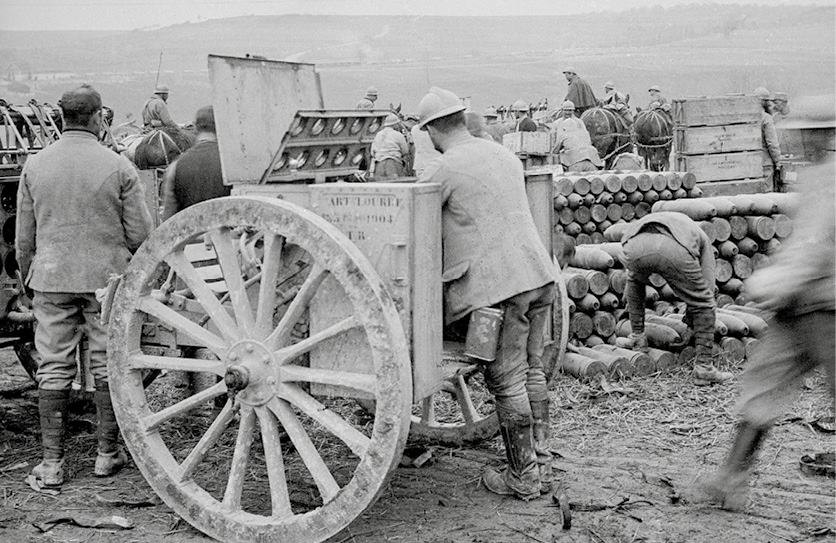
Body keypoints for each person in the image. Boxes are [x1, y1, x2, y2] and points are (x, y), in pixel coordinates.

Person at [416, 86, 556, 501]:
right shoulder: (502, 154)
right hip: (537, 275)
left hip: (497, 289)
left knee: (506, 379)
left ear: (430, 131)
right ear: (462, 118)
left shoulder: (447, 168)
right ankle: (541, 462)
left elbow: (417, 214)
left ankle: (525, 477)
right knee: (531, 369)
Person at [16, 84, 154, 487]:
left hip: (52, 278)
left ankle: (53, 464)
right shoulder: (119, 166)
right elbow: (142, 234)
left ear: (62, 119)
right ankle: (106, 455)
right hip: (105, 283)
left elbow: (26, 239)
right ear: (97, 118)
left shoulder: (34, 166)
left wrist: (31, 278)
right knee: (107, 362)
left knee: (53, 365)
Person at [699, 158, 834, 511]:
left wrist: (769, 284)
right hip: (798, 305)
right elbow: (802, 244)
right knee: (761, 386)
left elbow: (816, 249)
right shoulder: (813, 176)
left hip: (827, 306)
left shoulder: (830, 180)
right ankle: (731, 478)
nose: (804, 142)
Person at [616, 212, 733, 386]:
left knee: (634, 280)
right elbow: (707, 289)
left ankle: (638, 337)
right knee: (704, 302)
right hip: (672, 250)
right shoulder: (702, 238)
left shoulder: (668, 218)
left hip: (632, 247)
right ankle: (704, 368)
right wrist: (692, 322)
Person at [161, 105, 230, 221]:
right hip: (227, 237)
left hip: (191, 236)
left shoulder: (176, 166)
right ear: (220, 126)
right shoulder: (231, 164)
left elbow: (168, 217)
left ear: (196, 129)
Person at [551, 102, 602, 172]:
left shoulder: (579, 122)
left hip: (574, 159)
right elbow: (553, 139)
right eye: (565, 110)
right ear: (562, 110)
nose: (567, 113)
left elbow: (555, 150)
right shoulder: (556, 124)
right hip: (588, 156)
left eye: (570, 110)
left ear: (573, 111)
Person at [754, 87, 782, 188]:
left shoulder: (748, 117)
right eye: (767, 101)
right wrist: (778, 161)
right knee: (767, 195)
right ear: (763, 102)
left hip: (751, 163)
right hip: (765, 163)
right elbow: (772, 143)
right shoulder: (766, 118)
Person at [369, 112, 409, 179]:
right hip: (394, 164)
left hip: (379, 164)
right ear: (395, 124)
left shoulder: (378, 134)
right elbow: (405, 151)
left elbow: (372, 152)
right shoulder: (398, 135)